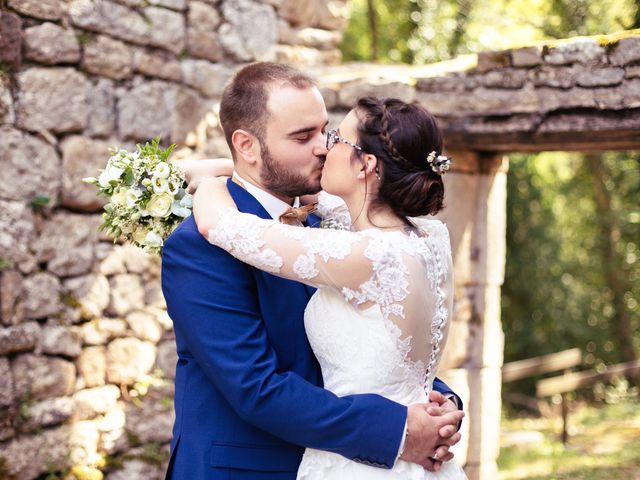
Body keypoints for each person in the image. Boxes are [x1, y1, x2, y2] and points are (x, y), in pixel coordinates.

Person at [161, 62, 464, 480]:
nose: (323, 146)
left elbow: (375, 341)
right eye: (303, 137)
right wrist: (398, 429)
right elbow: (256, 388)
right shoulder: (197, 246)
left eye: (326, 131)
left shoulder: (335, 228)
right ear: (247, 146)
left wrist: (437, 401)